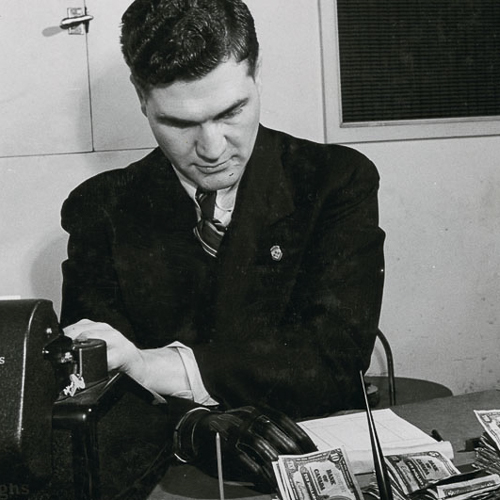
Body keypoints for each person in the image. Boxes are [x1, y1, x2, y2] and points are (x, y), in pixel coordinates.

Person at [60, 0, 385, 489]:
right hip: (165, 470)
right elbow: (94, 384)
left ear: (256, 74)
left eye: (231, 111)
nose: (212, 149)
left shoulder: (335, 181)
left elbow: (332, 360)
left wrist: (153, 366)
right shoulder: (99, 208)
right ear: (141, 98)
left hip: (309, 454)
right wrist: (189, 429)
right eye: (179, 123)